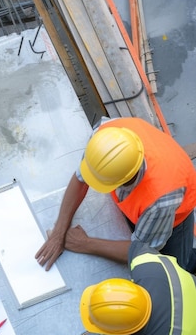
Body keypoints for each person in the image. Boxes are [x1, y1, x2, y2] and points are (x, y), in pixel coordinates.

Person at [35, 117, 196, 272]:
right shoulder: (106, 137)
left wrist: (85, 243)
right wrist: (59, 231)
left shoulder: (161, 199)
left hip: (173, 218)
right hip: (144, 206)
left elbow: (143, 251)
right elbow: (80, 178)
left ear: (125, 180)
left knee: (175, 266)